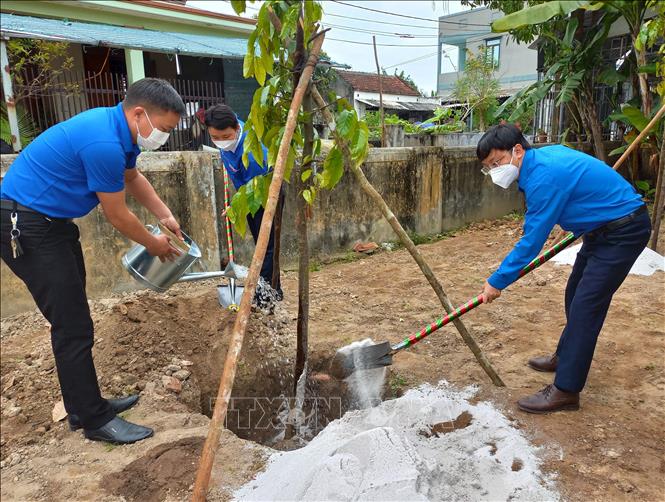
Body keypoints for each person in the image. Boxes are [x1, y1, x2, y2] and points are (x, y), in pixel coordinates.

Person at [1, 78, 187, 443]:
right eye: (163, 129)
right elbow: (116, 215)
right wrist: (154, 244)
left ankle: (82, 406)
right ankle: (93, 420)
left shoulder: (118, 131)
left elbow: (133, 178)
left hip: (51, 224)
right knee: (72, 326)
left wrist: (164, 214)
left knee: (74, 320)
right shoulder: (103, 143)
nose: (163, 137)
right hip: (26, 226)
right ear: (139, 114)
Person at [477, 124, 650, 414]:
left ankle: (566, 391)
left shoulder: (544, 176)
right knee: (574, 293)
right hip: (599, 229)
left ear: (517, 151)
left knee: (585, 307)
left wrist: (497, 281)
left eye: (496, 163)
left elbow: (532, 241)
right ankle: (565, 355)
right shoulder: (541, 160)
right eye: (488, 167)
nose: (494, 171)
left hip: (623, 231)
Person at [203, 104, 284, 300]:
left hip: (265, 192)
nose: (220, 142)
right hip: (247, 191)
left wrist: (237, 206)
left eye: (225, 137)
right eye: (215, 137)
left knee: (266, 245)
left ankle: (268, 296)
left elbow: (255, 192)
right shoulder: (227, 132)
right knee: (261, 244)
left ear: (237, 130)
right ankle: (274, 291)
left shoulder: (254, 154)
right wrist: (237, 203)